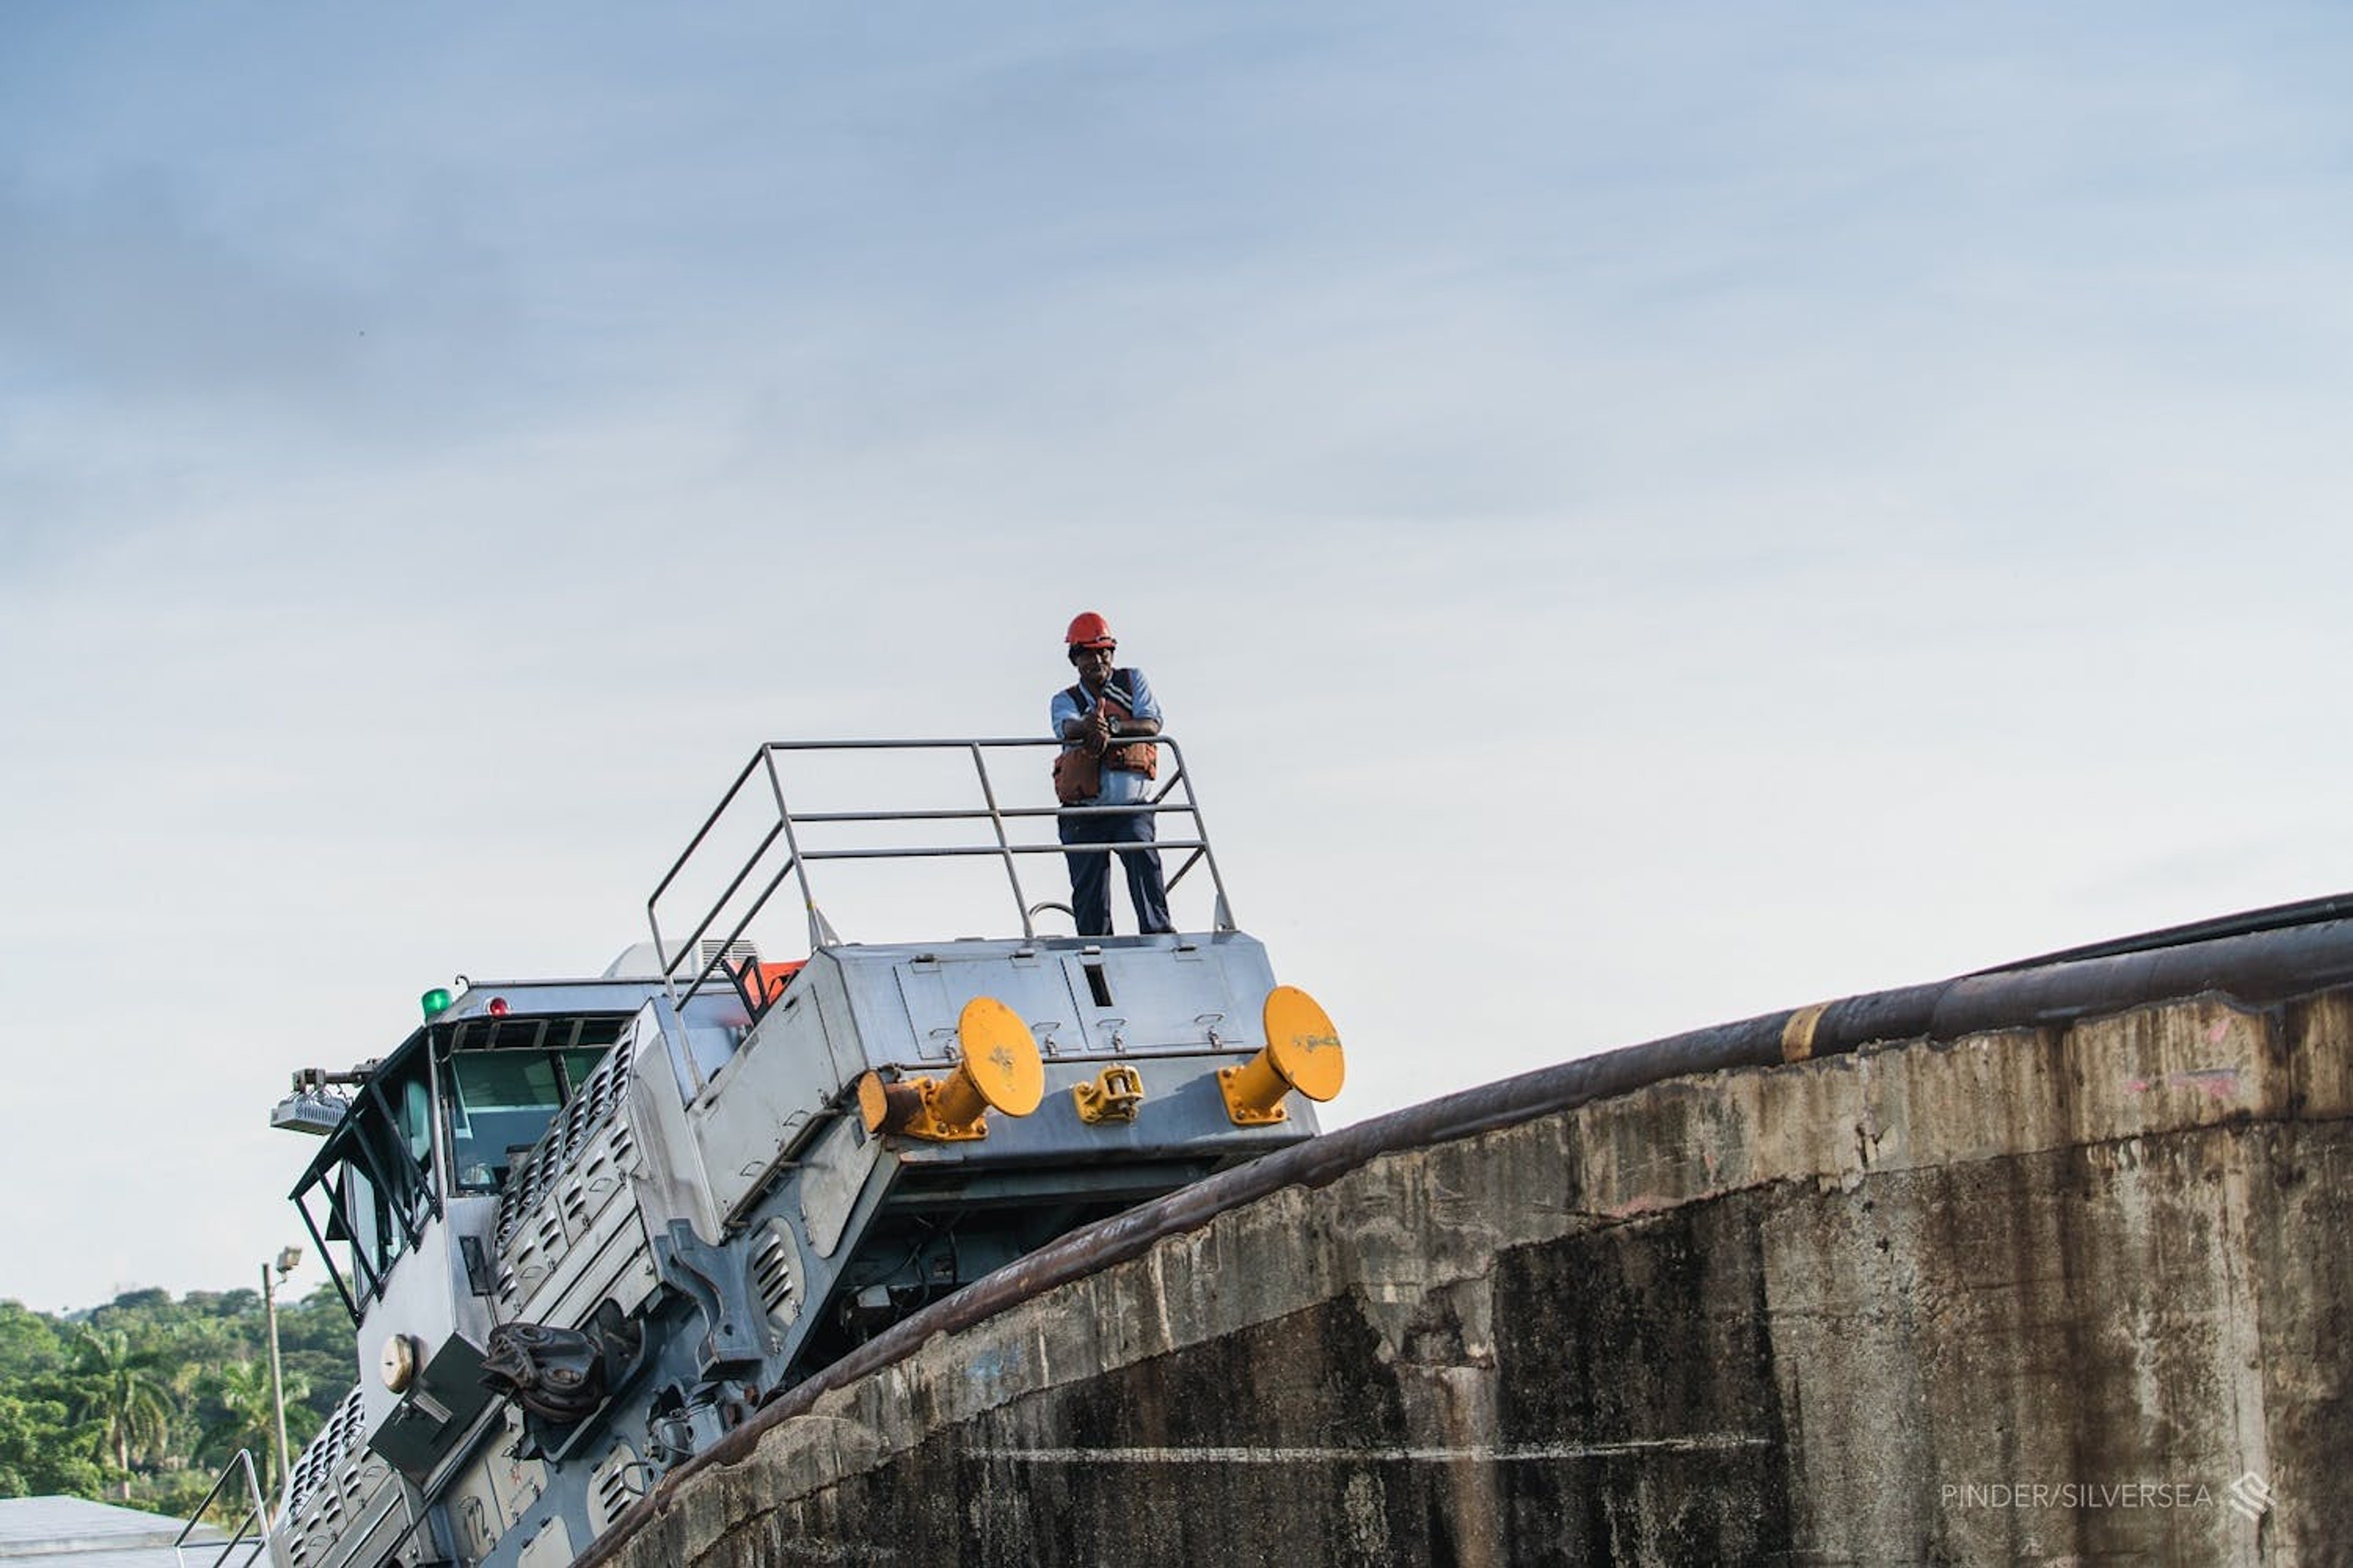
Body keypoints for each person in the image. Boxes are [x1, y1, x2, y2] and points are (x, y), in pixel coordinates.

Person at [1051, 612, 1173, 936]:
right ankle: (1096, 950)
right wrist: (1088, 727)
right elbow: (1066, 728)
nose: (1098, 659)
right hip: (1084, 815)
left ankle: (1158, 934)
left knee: (1144, 863)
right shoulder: (1066, 700)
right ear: (1076, 658)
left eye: (1104, 651)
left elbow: (1151, 723)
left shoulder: (1133, 682)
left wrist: (1113, 729)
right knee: (1090, 891)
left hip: (1130, 810)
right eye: (1089, 653)